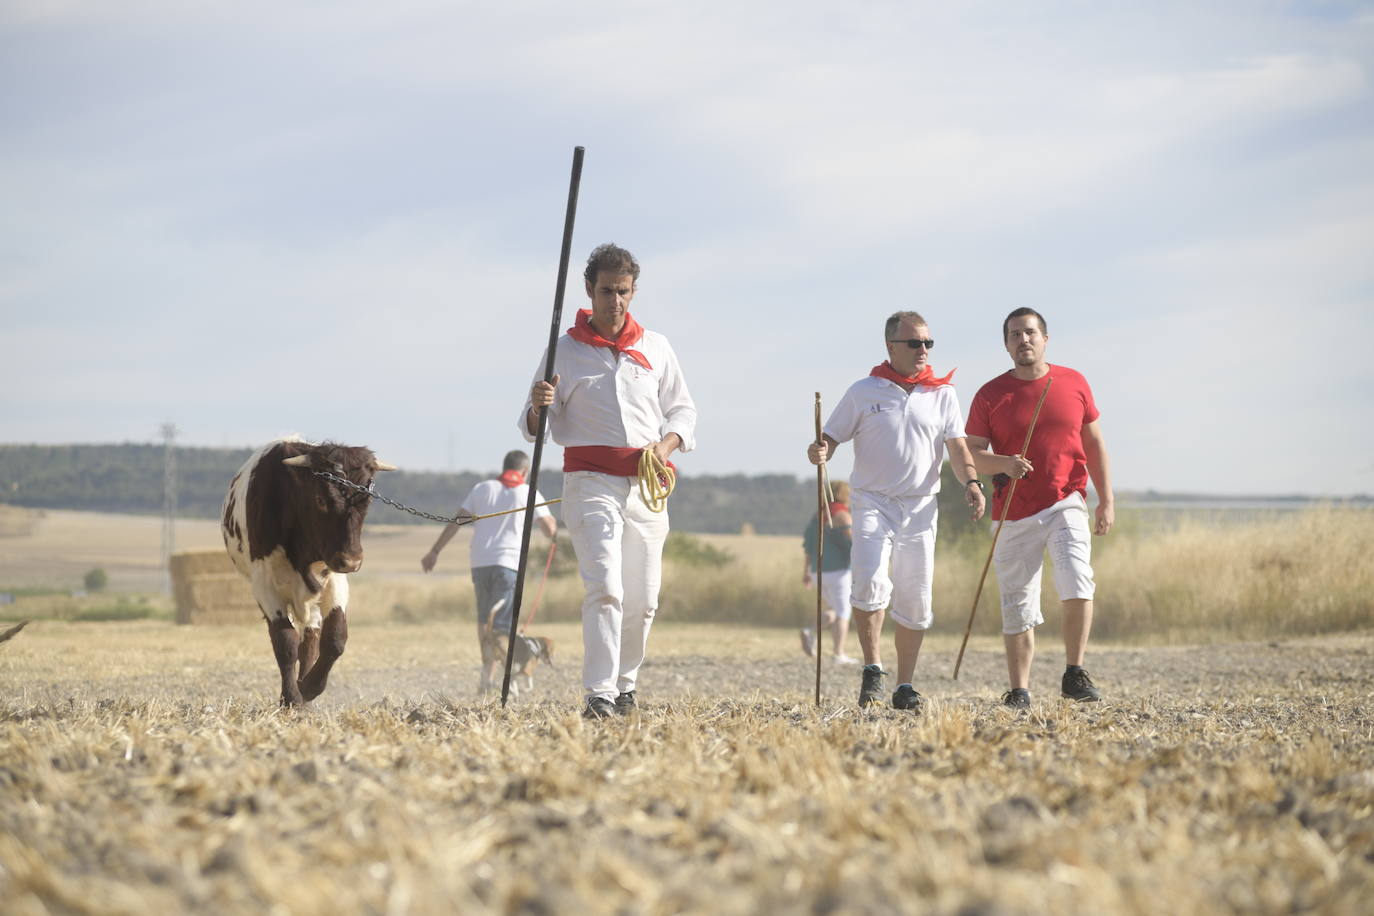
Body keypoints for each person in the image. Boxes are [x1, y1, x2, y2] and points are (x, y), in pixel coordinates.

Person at [521, 243, 697, 719]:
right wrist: (539, 403)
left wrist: (665, 446)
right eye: (605, 291)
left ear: (633, 291)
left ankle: (624, 684)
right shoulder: (564, 350)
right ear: (588, 290)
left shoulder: (655, 346)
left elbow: (683, 409)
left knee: (643, 601)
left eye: (622, 292)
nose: (614, 301)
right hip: (590, 481)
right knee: (606, 587)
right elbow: (533, 425)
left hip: (647, 483)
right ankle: (598, 693)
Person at [808, 311, 986, 711]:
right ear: (891, 346)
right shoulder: (863, 391)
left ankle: (905, 686)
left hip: (921, 506)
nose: (923, 350)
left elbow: (957, 449)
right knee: (870, 581)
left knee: (917, 598)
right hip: (872, 501)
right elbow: (829, 438)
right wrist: (820, 450)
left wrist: (971, 482)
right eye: (914, 343)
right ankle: (873, 667)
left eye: (928, 343)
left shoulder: (943, 394)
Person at [965, 307, 1114, 709]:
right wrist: (1005, 465)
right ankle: (1020, 690)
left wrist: (1106, 501)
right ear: (1006, 344)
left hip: (1066, 500)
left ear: (1045, 338)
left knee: (1077, 578)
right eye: (1014, 335)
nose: (1023, 340)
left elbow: (1094, 444)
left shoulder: (1073, 382)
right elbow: (973, 456)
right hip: (1013, 510)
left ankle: (1074, 672)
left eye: (1030, 333)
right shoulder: (991, 394)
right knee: (1017, 602)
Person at [421, 450, 557, 694]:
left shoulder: (482, 488)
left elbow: (457, 521)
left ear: (504, 467)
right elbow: (549, 529)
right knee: (502, 626)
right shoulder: (528, 491)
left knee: (486, 621)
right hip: (508, 565)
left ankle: (487, 678)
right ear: (524, 472)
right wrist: (554, 528)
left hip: (480, 563)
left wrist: (435, 551)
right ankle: (507, 679)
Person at [800, 479, 857, 665]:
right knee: (843, 611)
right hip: (838, 570)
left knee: (833, 608)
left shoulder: (818, 516)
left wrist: (806, 571)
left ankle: (810, 631)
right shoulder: (842, 516)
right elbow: (852, 545)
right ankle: (838, 653)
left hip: (817, 570)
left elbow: (808, 546)